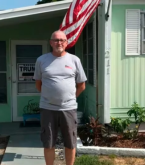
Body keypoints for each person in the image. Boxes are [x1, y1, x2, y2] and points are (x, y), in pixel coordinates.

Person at [33, 30, 87, 165]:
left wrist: (70, 98)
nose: (59, 43)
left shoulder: (74, 60)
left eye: (62, 40)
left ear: (66, 42)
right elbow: (38, 84)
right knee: (48, 143)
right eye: (56, 40)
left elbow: (81, 85)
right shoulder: (41, 60)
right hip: (47, 108)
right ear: (51, 43)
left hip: (68, 108)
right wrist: (50, 96)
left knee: (70, 143)